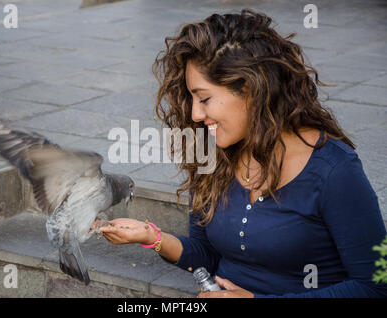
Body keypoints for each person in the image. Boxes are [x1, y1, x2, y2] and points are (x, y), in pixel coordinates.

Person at [91, 10, 387, 298]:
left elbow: (375, 285)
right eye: (192, 99)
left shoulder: (333, 169)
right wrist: (150, 236)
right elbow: (205, 255)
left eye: (204, 98)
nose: (195, 114)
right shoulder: (211, 155)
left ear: (251, 89)